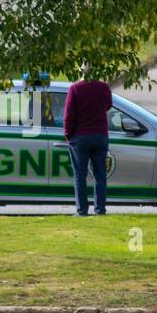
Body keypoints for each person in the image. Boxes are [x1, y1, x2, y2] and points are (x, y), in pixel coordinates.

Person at [63, 76, 112, 216]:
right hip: (100, 135)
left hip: (80, 137)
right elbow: (108, 105)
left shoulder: (75, 88)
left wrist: (68, 134)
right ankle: (100, 210)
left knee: (80, 175)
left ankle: (82, 211)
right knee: (100, 176)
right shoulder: (104, 87)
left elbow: (68, 115)